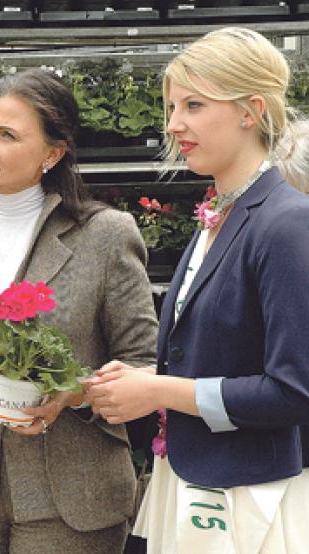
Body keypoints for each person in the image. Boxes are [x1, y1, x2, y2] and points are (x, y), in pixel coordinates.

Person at [0, 68, 158, 553]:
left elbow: (145, 364)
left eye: (6, 135)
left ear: (52, 153)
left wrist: (75, 393)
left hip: (73, 497)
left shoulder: (106, 236)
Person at [85, 27, 309, 553]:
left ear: (250, 110)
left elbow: (293, 391)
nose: (173, 124)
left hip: (250, 502)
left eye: (193, 104)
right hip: (194, 483)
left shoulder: (286, 223)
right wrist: (135, 380)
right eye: (172, 106)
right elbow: (217, 356)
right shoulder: (219, 216)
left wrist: (158, 391)